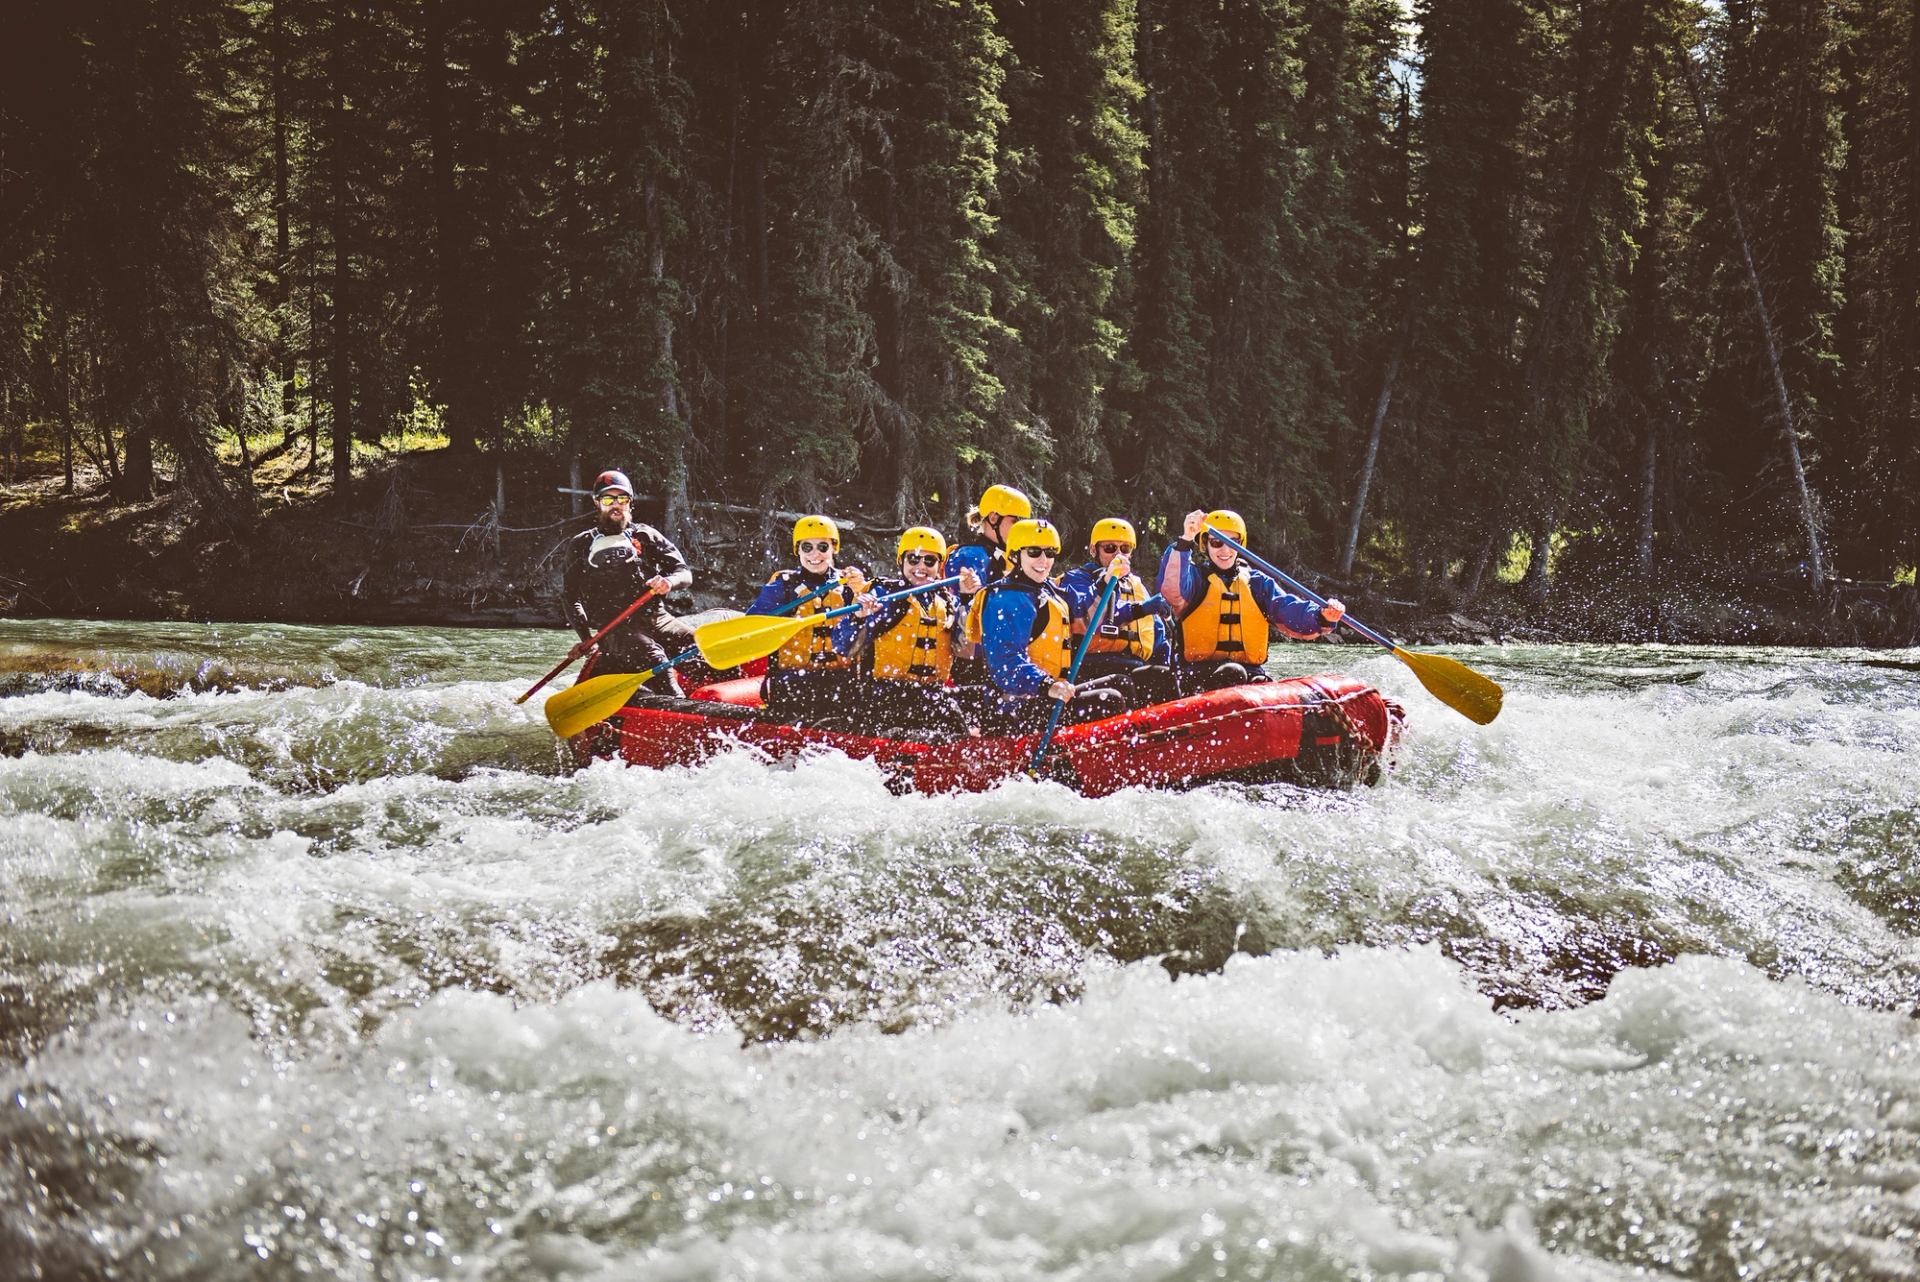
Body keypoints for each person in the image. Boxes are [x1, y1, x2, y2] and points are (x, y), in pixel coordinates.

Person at [968, 518, 1126, 736]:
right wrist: (1046, 685)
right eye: (1034, 552)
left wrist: (1106, 580)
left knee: (1121, 683)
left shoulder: (1046, 589)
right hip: (1013, 706)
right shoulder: (1006, 598)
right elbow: (1005, 663)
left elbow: (1082, 611)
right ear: (1015, 555)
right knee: (1109, 700)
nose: (1043, 560)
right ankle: (1084, 765)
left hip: (1045, 695)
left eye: (1049, 553)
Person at [1158, 508, 1345, 692]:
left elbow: (1289, 610)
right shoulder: (1194, 579)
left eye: (1233, 542)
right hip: (1197, 676)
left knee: (1238, 673)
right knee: (1232, 672)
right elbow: (1172, 589)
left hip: (1249, 677)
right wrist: (1186, 539)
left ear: (1241, 543)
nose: (1225, 550)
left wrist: (1321, 616)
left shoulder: (1257, 583)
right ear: (1205, 544)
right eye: (1217, 542)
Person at [831, 526, 981, 738]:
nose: (921, 567)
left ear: (939, 566)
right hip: (887, 696)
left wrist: (967, 599)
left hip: (932, 696)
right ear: (901, 561)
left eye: (929, 561)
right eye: (914, 559)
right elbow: (844, 647)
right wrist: (859, 617)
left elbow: (966, 651)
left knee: (957, 734)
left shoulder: (949, 602)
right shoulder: (883, 594)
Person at [561, 469, 695, 695]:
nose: (616, 505)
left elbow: (683, 572)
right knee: (657, 661)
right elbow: (570, 597)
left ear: (630, 502)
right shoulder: (581, 545)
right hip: (615, 630)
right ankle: (680, 710)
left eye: (622, 498)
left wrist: (668, 582)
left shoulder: (646, 535)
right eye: (608, 499)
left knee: (698, 649)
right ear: (597, 502)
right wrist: (587, 639)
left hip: (657, 619)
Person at [745, 514, 866, 720]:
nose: (815, 554)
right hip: (793, 682)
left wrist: (861, 594)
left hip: (839, 682)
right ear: (798, 551)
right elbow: (752, 626)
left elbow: (871, 630)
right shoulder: (783, 587)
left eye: (822, 547)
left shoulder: (848, 585)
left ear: (833, 549)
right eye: (807, 547)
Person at [1060, 516, 1177, 706]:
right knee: (1123, 683)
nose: (1118, 554)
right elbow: (1086, 616)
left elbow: (1157, 636)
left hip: (1132, 664)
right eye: (1110, 548)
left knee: (1161, 675)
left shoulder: (1136, 585)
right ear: (1093, 550)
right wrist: (1139, 607)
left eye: (1125, 549)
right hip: (1089, 666)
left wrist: (1166, 660)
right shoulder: (1075, 580)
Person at [946, 484, 1031, 687]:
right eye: (1015, 521)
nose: (1020, 529)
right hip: (975, 663)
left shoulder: (1014, 559)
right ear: (993, 518)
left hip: (1004, 658)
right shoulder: (970, 556)